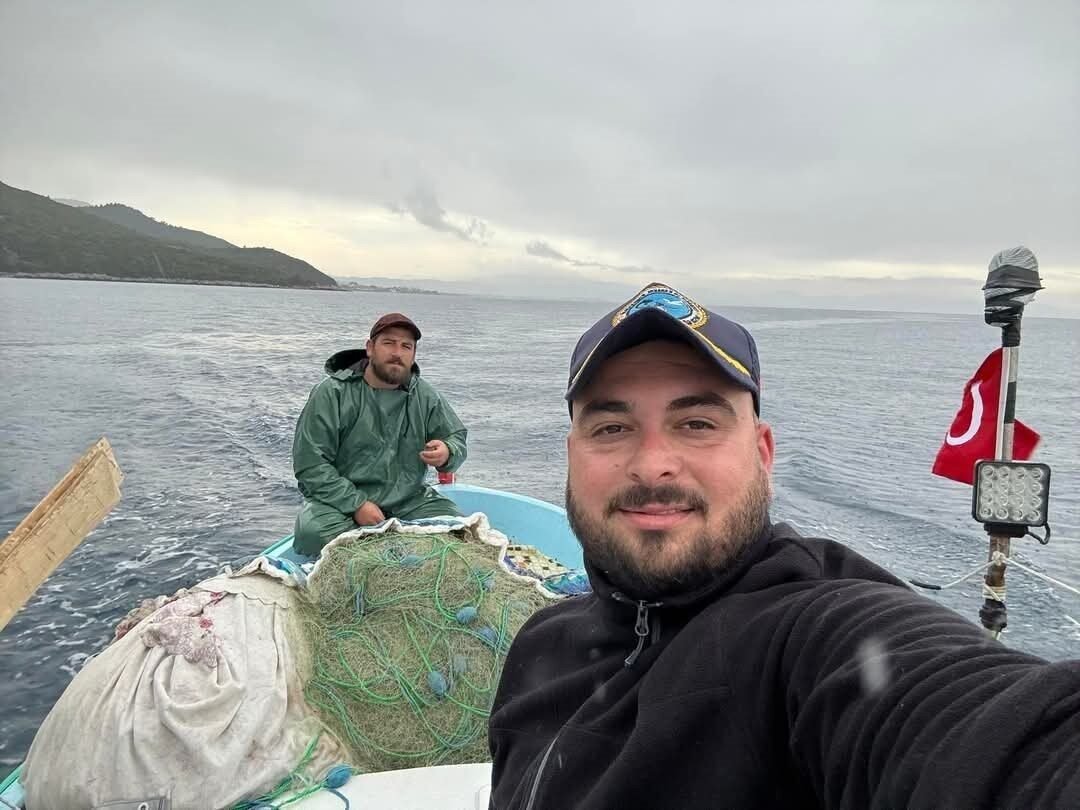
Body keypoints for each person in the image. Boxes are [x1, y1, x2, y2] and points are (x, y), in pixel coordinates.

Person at [488, 282, 1080, 809]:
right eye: (611, 428)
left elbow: (999, 739)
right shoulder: (540, 647)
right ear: (571, 455)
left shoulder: (813, 636)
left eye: (697, 423)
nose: (652, 465)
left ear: (763, 455)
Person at [291, 312, 468, 556]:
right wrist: (357, 504)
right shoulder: (332, 393)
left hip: (409, 502)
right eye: (389, 343)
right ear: (370, 348)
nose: (397, 352)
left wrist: (448, 452)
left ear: (413, 355)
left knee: (458, 533)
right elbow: (311, 464)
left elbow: (456, 438)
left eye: (406, 346)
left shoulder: (425, 396)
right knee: (315, 534)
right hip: (339, 503)